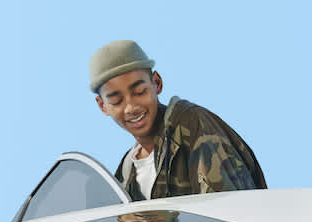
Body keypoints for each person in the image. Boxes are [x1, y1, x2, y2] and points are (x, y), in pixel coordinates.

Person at [89, 40, 266, 201]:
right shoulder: (125, 174)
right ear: (102, 106)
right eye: (116, 101)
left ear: (156, 83)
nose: (131, 107)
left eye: (140, 92)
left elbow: (226, 214)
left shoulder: (193, 126)